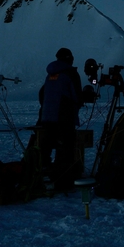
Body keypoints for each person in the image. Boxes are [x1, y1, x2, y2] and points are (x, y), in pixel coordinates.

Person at [38, 47, 82, 186]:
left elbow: (42, 93)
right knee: (65, 147)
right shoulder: (70, 73)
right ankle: (62, 178)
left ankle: (41, 172)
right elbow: (76, 94)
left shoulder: (50, 74)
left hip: (47, 117)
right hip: (64, 116)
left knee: (46, 145)